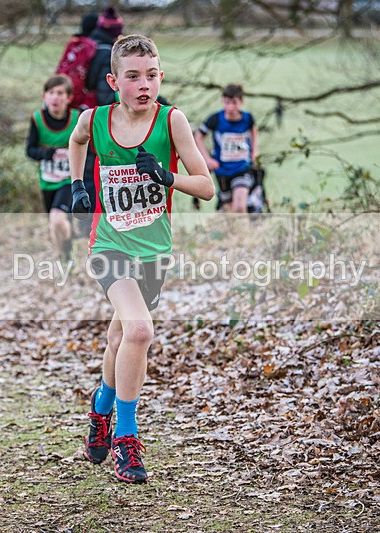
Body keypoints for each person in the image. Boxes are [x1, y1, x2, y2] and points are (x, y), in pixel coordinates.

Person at [68, 35, 214, 483]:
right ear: (114, 82)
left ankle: (100, 410)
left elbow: (206, 187)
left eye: (151, 75)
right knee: (139, 330)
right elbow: (76, 141)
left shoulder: (172, 121)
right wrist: (77, 186)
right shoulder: (94, 119)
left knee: (120, 339)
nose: (144, 84)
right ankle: (125, 439)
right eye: (133, 76)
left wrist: (167, 177)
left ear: (161, 77)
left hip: (153, 253)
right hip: (108, 246)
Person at [75, 5, 126, 239]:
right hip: (95, 120)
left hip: (81, 115)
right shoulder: (106, 54)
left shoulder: (89, 46)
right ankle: (92, 226)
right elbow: (105, 94)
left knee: (86, 171)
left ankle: (86, 224)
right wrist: (109, 120)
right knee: (96, 171)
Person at [26, 74, 80, 262]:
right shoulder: (37, 119)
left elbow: (90, 147)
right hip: (48, 180)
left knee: (57, 218)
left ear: (69, 98)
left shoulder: (77, 118)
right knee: (55, 224)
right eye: (51, 93)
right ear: (44, 96)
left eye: (60, 93)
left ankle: (68, 254)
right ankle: (65, 255)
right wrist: (44, 153)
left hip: (70, 180)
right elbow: (30, 150)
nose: (55, 97)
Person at [194, 84, 259, 213]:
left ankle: (244, 227)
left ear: (241, 101)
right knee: (228, 210)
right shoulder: (215, 119)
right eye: (227, 102)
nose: (230, 107)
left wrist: (254, 151)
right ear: (222, 101)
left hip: (242, 168)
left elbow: (254, 130)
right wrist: (207, 159)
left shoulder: (248, 119)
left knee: (239, 206)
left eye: (234, 103)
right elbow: (198, 136)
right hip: (222, 170)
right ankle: (239, 227)